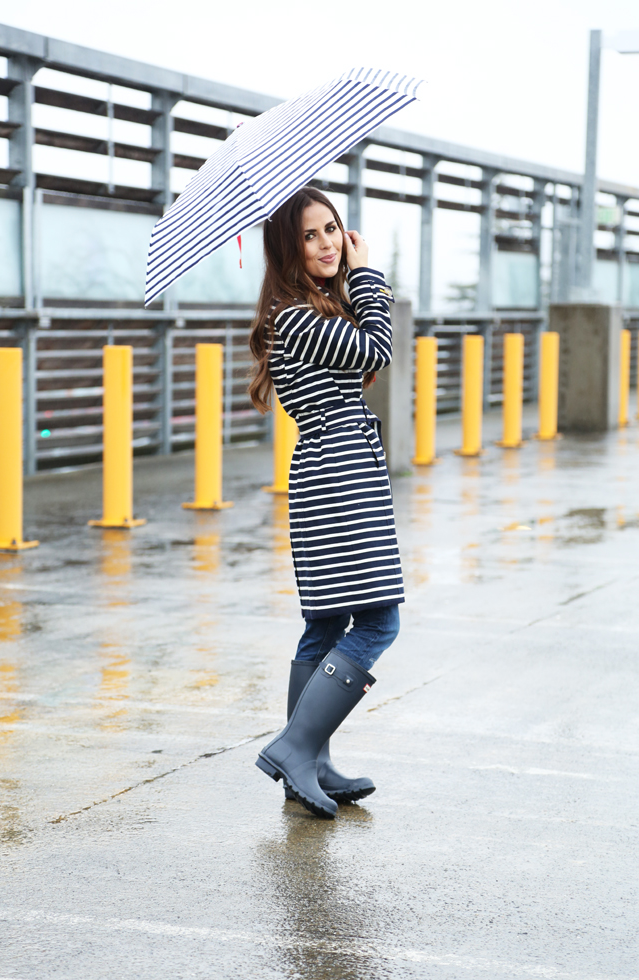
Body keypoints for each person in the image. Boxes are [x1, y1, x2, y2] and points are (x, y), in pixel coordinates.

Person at [249, 186, 404, 819]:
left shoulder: (311, 309)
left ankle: (307, 764)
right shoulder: (293, 315)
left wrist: (353, 286)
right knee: (377, 622)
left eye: (333, 229)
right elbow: (375, 351)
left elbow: (358, 364)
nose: (327, 243)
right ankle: (296, 747)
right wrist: (368, 277)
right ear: (288, 247)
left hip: (331, 469)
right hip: (339, 473)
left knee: (327, 623)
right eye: (310, 235)